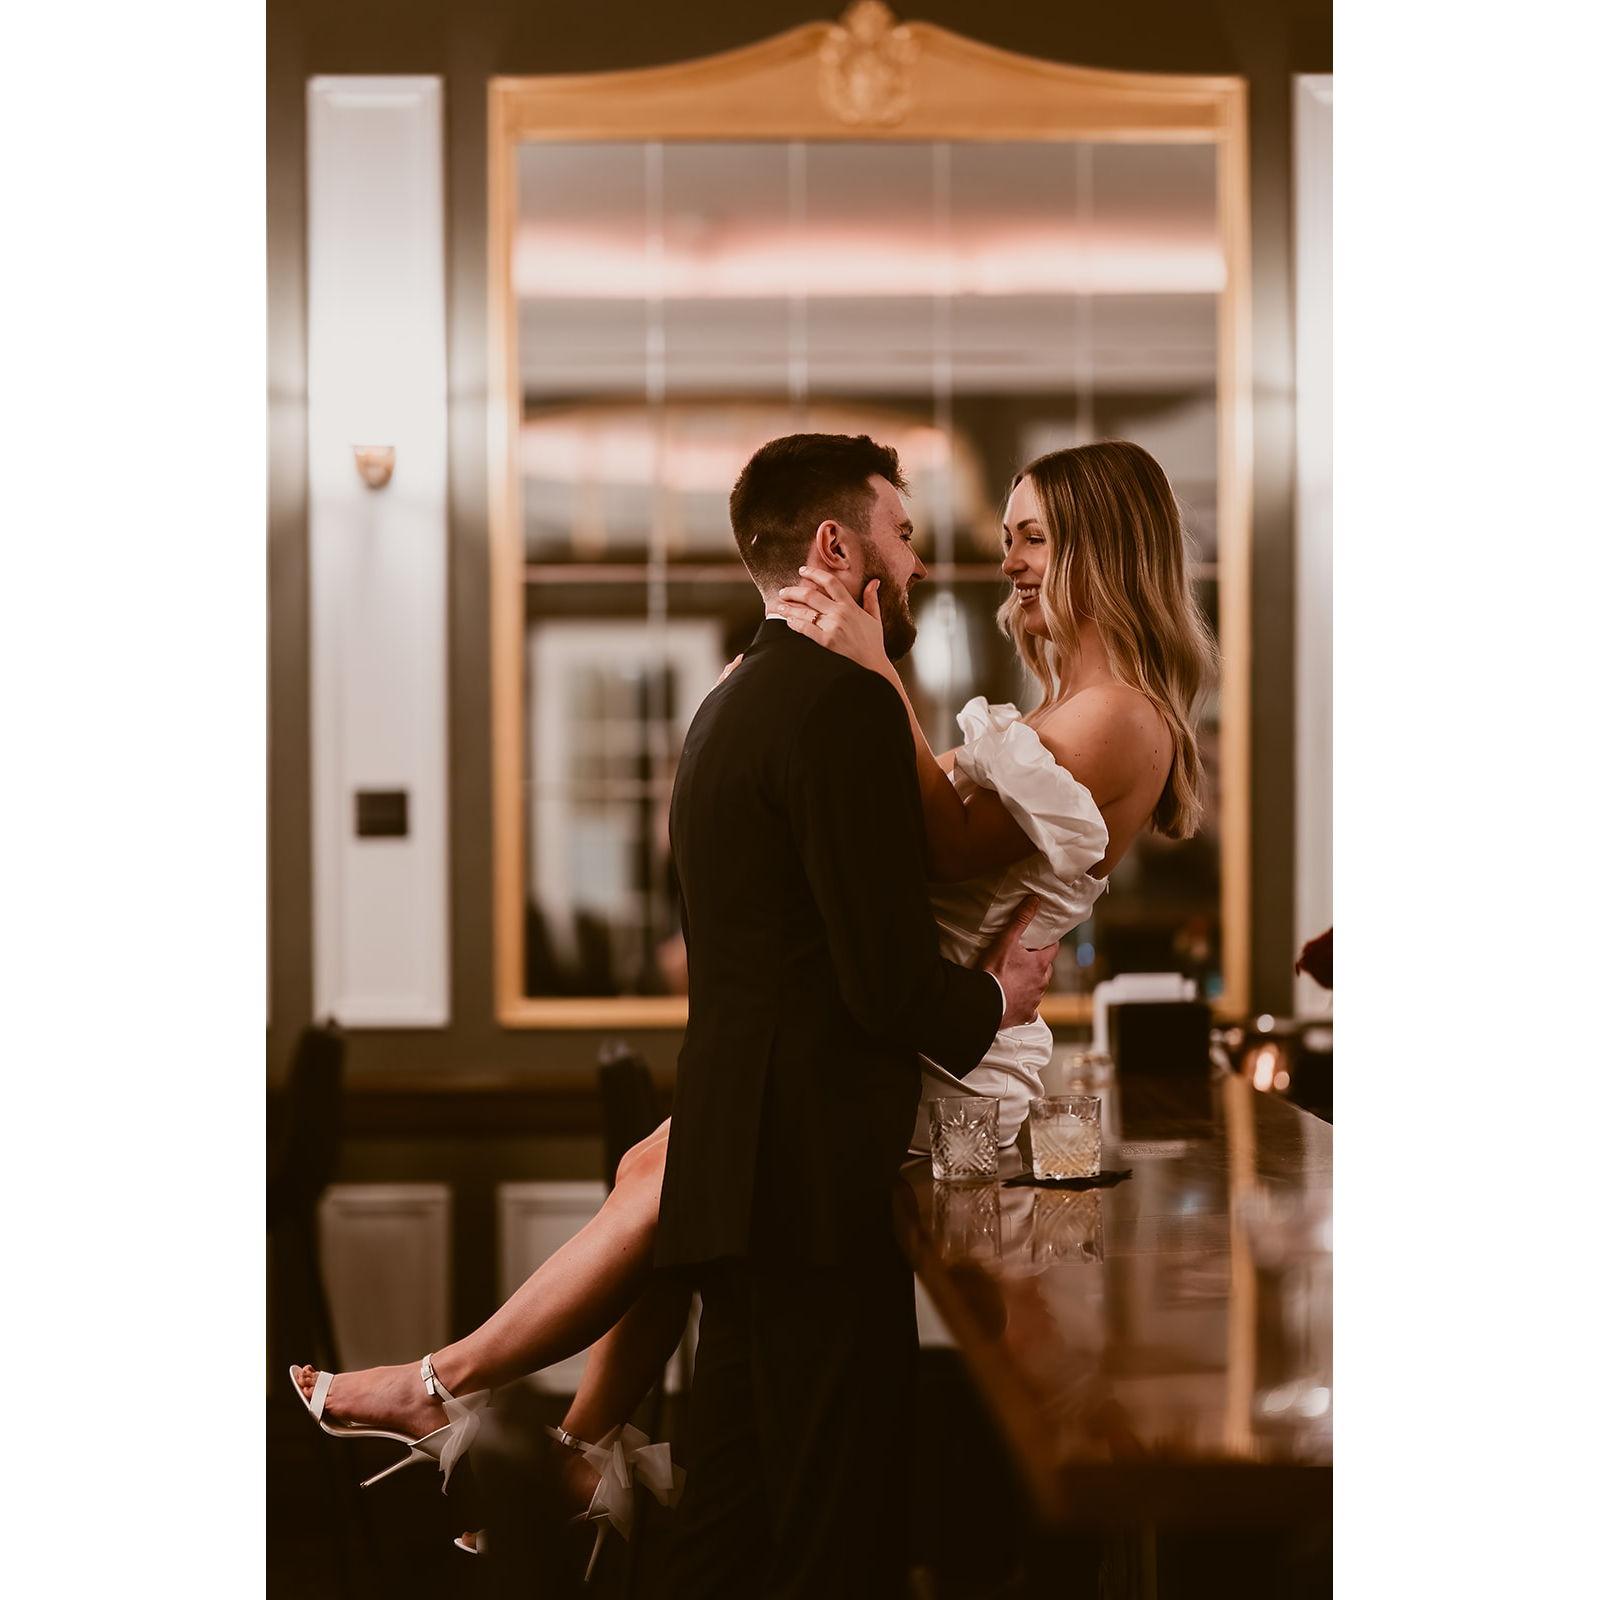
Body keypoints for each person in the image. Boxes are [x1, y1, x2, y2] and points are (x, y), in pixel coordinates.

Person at [291, 435, 1216, 1588]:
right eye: (1008, 537)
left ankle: (461, 1391)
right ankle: (552, 1432)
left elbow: (946, 842)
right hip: (930, 1021)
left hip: (950, 1051)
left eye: (1031, 538)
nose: (1006, 562)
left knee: (679, 1176)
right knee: (666, 1172)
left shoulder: (1117, 713)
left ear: (1099, 547)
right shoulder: (1064, 704)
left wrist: (878, 680)